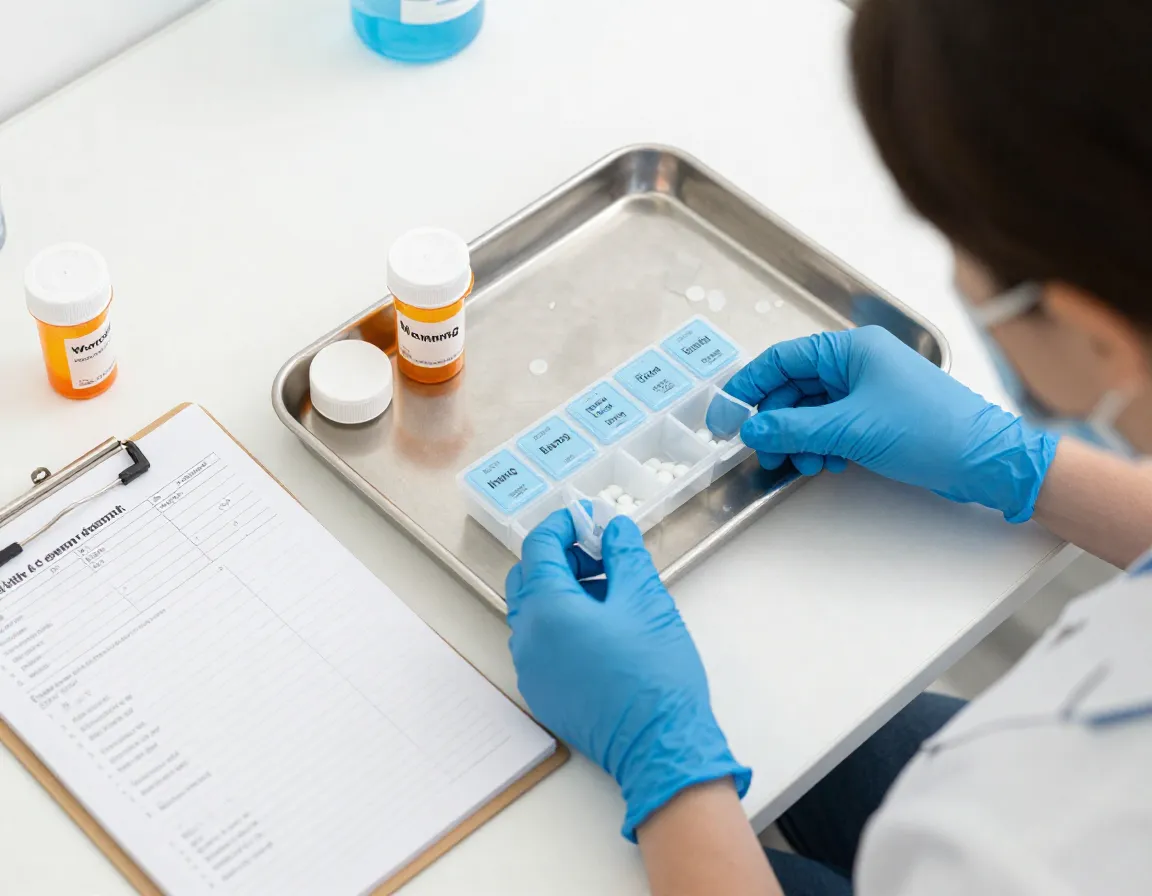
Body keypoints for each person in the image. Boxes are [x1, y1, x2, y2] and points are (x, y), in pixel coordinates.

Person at [505, 0, 1152, 893]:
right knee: (852, 745)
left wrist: (666, 766)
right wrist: (1022, 464)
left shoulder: (1007, 842)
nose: (958, 269)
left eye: (957, 238)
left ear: (1093, 334)